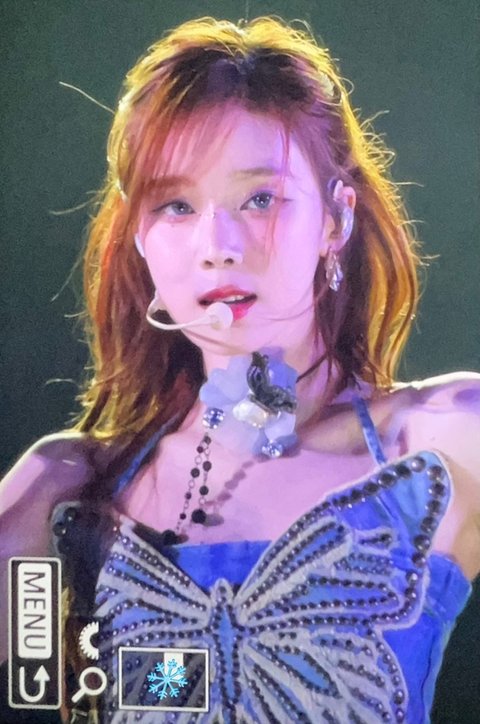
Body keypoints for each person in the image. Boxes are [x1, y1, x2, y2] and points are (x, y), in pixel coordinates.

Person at [1, 14, 479, 724]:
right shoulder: (66, 495)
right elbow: (46, 687)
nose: (217, 244)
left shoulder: (444, 442)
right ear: (141, 240)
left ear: (335, 219)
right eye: (176, 206)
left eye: (259, 198)